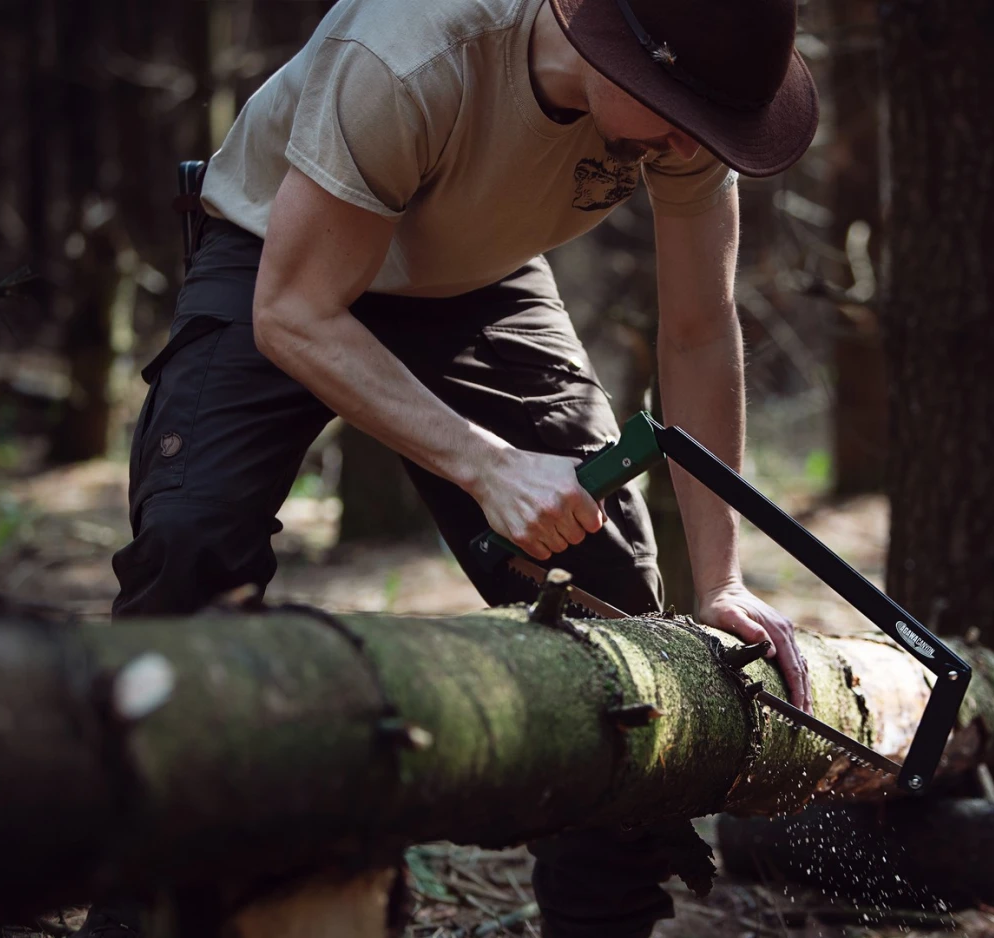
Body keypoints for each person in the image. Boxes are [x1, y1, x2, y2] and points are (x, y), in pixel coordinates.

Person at [97, 0, 819, 934]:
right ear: (616, 49)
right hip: (282, 259)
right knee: (189, 543)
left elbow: (697, 332)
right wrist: (488, 466)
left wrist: (720, 579)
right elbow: (293, 314)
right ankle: (142, 905)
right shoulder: (410, 53)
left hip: (480, 280)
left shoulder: (691, 99)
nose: (690, 145)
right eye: (679, 116)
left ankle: (601, 920)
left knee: (606, 585)